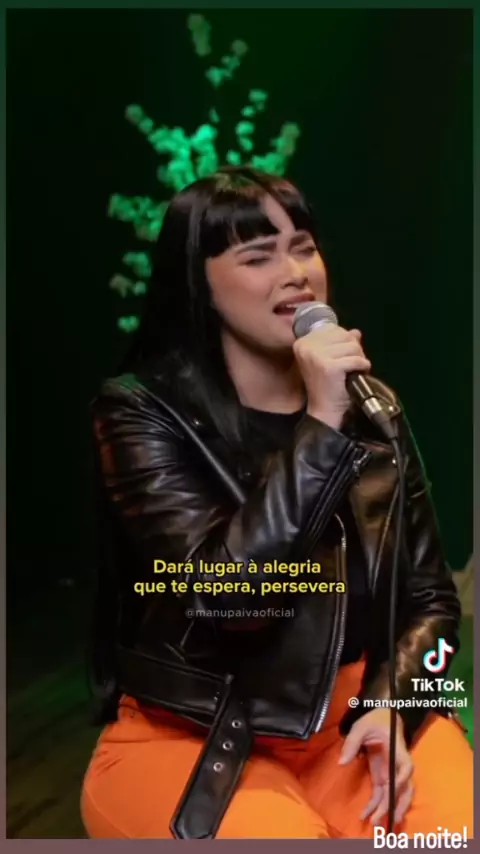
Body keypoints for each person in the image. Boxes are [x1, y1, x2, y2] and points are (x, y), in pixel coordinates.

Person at [80, 166, 473, 840]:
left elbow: (432, 603)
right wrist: (322, 424)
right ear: (200, 285)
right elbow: (227, 598)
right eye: (258, 256)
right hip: (197, 729)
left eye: (303, 248)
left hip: (354, 719)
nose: (295, 274)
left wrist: (394, 703)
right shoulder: (141, 414)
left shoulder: (376, 409)